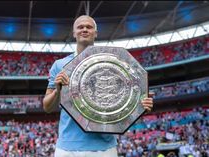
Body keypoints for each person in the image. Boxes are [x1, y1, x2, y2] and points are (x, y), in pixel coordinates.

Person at [43, 15, 154, 157]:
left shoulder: (114, 62)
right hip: (67, 147)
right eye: (80, 27)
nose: (84, 29)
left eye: (89, 27)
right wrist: (57, 91)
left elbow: (125, 100)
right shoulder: (59, 65)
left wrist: (141, 107)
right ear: (74, 33)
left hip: (104, 148)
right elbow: (47, 107)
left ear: (95, 33)